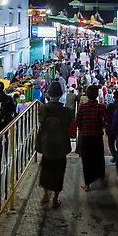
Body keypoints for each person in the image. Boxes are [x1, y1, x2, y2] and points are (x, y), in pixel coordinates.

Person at [35, 81, 72, 209]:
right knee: (59, 171)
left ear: (48, 93)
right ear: (61, 94)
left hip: (46, 143)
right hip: (60, 145)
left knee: (46, 169)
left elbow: (41, 121)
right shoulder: (66, 111)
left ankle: (45, 194)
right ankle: (55, 199)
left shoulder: (42, 108)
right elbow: (67, 124)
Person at [76, 84, 109, 191]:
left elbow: (78, 122)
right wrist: (101, 124)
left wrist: (84, 128)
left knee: (87, 160)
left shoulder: (82, 107)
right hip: (97, 136)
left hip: (85, 137)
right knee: (99, 157)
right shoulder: (101, 107)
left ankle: (87, 184)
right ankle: (101, 176)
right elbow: (108, 120)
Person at [106, 89, 118, 163]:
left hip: (111, 127)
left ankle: (114, 156)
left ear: (114, 97)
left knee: (111, 143)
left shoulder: (110, 106)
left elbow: (106, 117)